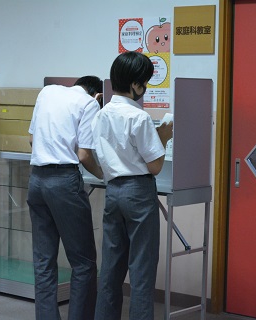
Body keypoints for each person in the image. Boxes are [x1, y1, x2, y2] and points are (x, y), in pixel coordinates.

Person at [91, 51, 173, 320]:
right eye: (145, 82)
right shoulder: (140, 118)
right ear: (136, 85)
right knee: (142, 271)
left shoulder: (102, 115)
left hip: (113, 192)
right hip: (138, 193)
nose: (145, 88)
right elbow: (155, 166)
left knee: (111, 270)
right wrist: (165, 136)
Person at [27, 76, 104, 320]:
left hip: (36, 180)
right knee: (83, 263)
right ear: (98, 96)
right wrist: (106, 176)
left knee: (43, 262)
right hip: (64, 183)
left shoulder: (47, 93)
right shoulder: (90, 104)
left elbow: (31, 138)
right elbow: (84, 155)